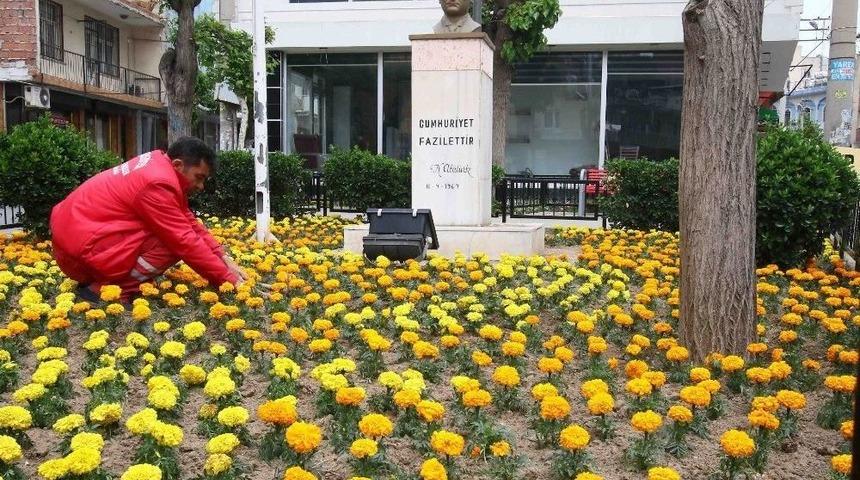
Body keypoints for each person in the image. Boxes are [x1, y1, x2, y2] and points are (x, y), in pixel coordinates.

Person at [50, 137, 248, 301]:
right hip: (79, 252)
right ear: (178, 165)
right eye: (199, 177)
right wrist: (229, 281)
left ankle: (107, 281)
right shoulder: (158, 183)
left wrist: (224, 259)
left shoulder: (159, 166)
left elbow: (187, 220)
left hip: (75, 241)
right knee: (170, 244)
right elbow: (184, 241)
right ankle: (108, 291)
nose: (200, 186)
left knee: (174, 234)